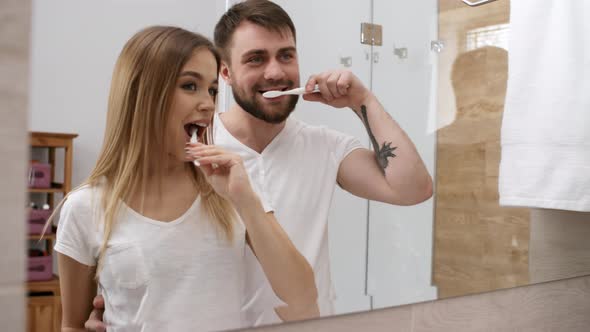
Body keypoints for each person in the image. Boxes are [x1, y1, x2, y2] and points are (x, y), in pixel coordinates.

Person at [87, 0, 433, 328]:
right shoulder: (193, 147)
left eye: (286, 56)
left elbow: (413, 189)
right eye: (256, 59)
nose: (276, 72)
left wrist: (362, 100)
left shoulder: (326, 146)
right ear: (225, 72)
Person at [54, 25, 318, 332]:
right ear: (142, 93)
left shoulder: (232, 185)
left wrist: (245, 199)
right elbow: (73, 325)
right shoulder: (85, 207)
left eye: (212, 90)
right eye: (190, 86)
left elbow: (302, 296)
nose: (208, 103)